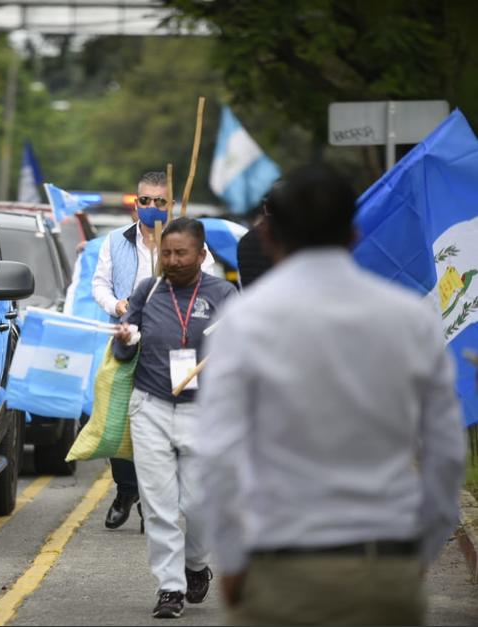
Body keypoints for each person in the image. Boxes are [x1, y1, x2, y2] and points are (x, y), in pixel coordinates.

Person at [197, 164, 466, 625]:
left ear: (269, 237)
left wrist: (232, 559)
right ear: (354, 234)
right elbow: (445, 451)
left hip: (281, 570)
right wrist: (419, 553)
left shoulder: (244, 323)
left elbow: (220, 456)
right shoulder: (410, 319)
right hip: (384, 570)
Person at [112, 217, 237, 619]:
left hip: (205, 411)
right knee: (158, 505)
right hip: (150, 407)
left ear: (202, 255)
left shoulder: (224, 294)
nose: (173, 259)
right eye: (166, 253)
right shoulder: (147, 293)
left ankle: (196, 565)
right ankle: (170, 587)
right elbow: (123, 354)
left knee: (198, 502)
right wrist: (125, 340)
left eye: (181, 253)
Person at [92, 172, 217, 530]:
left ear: (172, 203)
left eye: (159, 202)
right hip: (128, 339)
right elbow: (99, 284)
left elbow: (206, 285)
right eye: (144, 201)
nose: (151, 207)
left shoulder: (191, 245)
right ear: (136, 202)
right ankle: (126, 490)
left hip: (176, 348)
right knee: (120, 420)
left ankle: (155, 501)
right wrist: (117, 305)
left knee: (169, 422)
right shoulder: (115, 241)